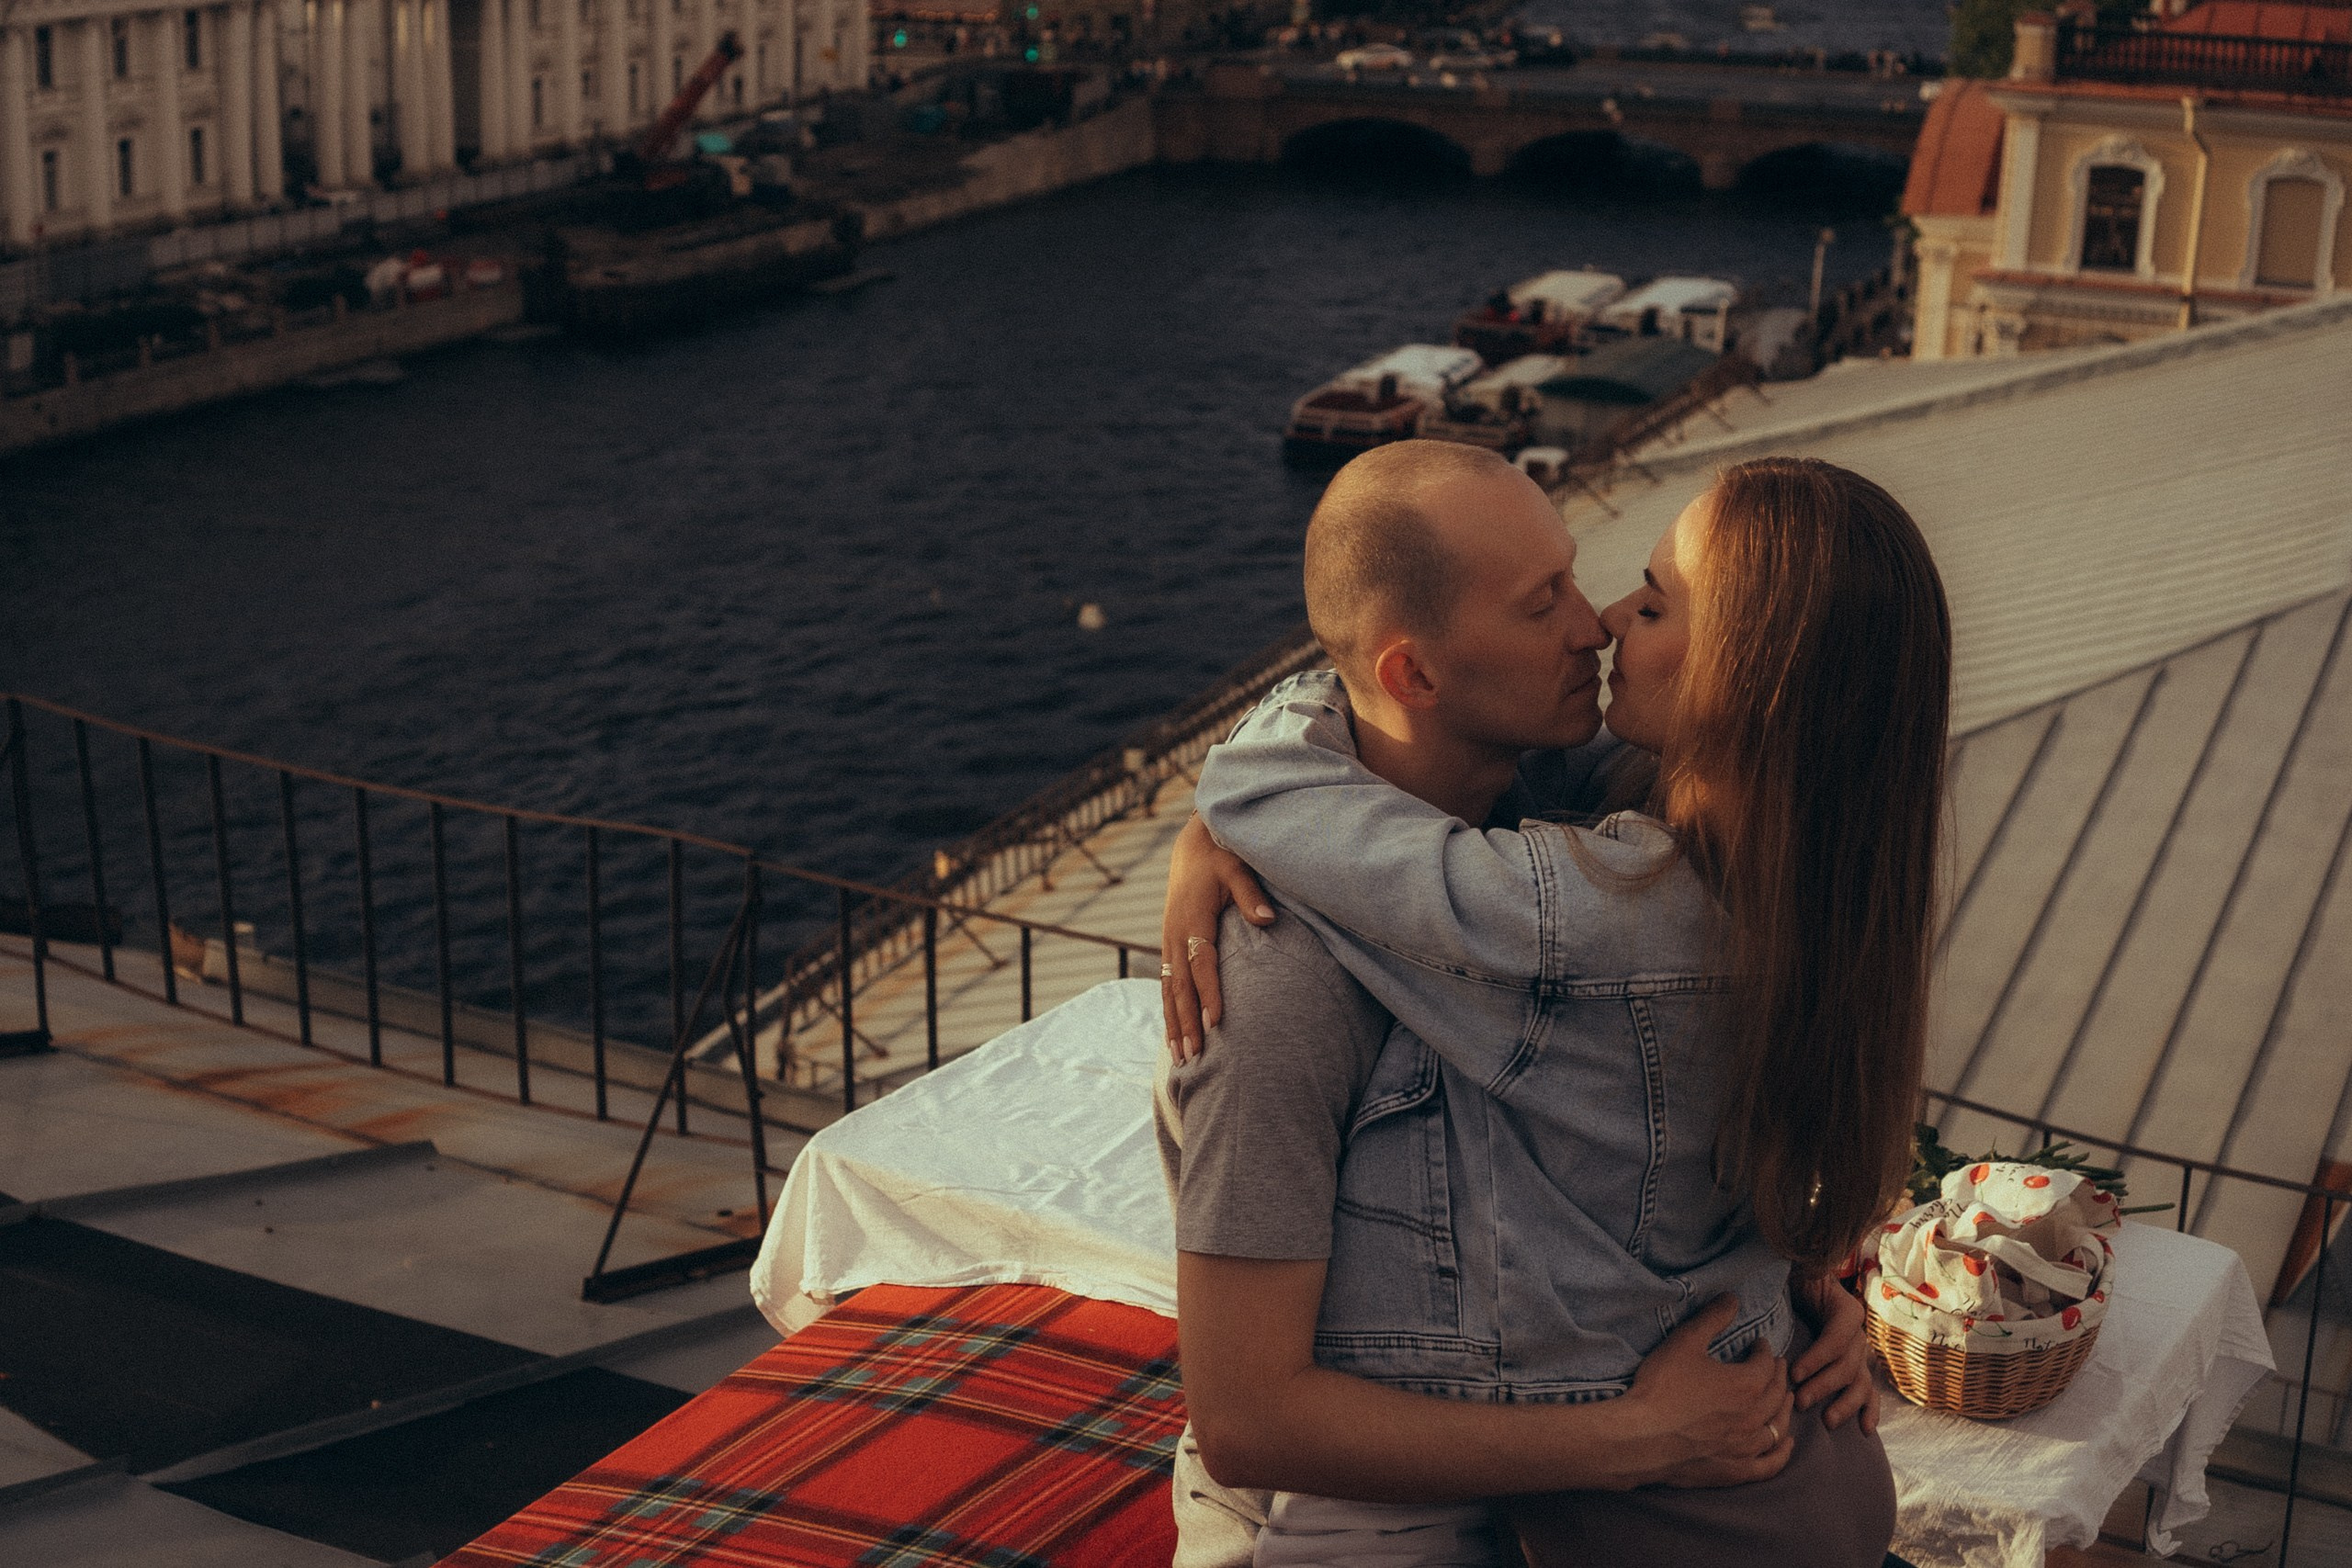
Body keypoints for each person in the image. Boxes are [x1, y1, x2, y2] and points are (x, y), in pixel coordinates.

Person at [1158, 442, 1944, 1564]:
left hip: (1645, 1497)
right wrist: (1659, 1419)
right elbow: (1247, 1422)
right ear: (1417, 674)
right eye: (1546, 602)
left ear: (1746, 685)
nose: (1599, 623)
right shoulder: (1284, 973)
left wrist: (1223, 806)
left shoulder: (1592, 867)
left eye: (1639, 597)